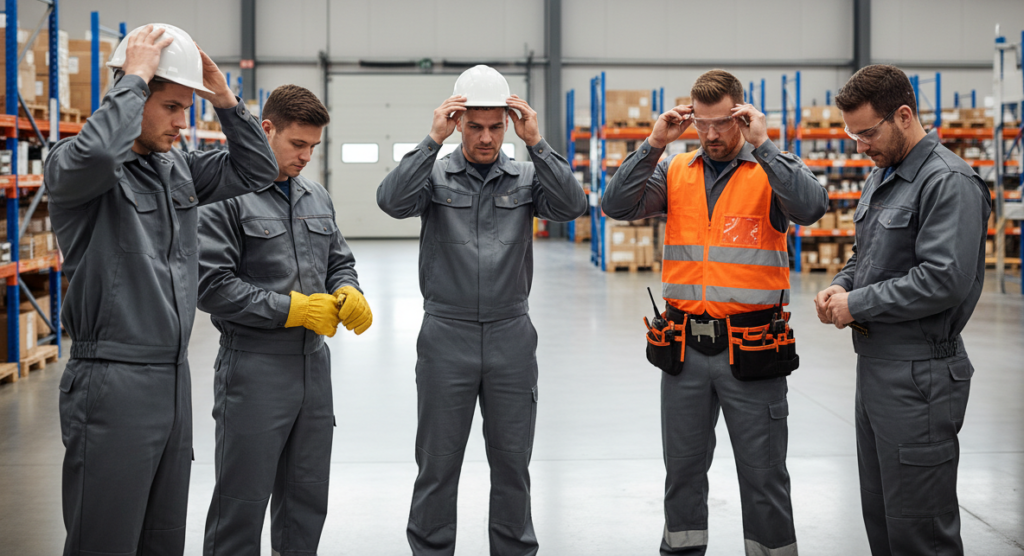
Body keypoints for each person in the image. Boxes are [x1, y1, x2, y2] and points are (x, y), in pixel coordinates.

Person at [45, 24, 279, 556]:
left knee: (163, 539)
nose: (182, 122)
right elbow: (100, 154)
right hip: (113, 379)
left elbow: (258, 170)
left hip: (173, 378)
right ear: (130, 93)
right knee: (105, 540)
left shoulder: (174, 168)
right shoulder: (74, 167)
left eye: (188, 108)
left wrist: (223, 99)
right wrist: (133, 78)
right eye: (172, 106)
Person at [602, 69, 828, 556]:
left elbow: (812, 207)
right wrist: (654, 144)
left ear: (742, 118)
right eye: (700, 124)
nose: (709, 135)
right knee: (682, 472)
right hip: (683, 352)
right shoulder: (677, 170)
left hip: (752, 353)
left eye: (722, 123)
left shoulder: (770, 169)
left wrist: (766, 146)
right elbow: (615, 205)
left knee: (764, 476)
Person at [376, 65, 587, 556]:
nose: (486, 137)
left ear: (508, 125)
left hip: (511, 335)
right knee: (437, 463)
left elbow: (572, 206)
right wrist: (431, 141)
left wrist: (538, 143)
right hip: (445, 335)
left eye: (496, 127)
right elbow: (390, 202)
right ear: (458, 122)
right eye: (475, 126)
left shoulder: (529, 175)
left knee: (512, 464)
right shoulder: (432, 174)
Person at [814, 65, 988, 556]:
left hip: (921, 375)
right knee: (883, 521)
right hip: (875, 369)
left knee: (919, 531)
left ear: (905, 115)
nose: (859, 146)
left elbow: (944, 279)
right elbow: (865, 257)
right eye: (853, 135)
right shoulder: (883, 177)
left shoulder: (948, 182)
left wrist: (858, 303)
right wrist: (840, 285)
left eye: (867, 133)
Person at [195, 83, 371, 556]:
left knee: (306, 502)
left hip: (314, 367)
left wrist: (348, 289)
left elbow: (340, 259)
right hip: (254, 369)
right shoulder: (224, 198)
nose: (306, 156)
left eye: (313, 147)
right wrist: (291, 308)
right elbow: (210, 285)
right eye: (298, 144)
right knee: (241, 504)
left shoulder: (316, 196)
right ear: (266, 130)